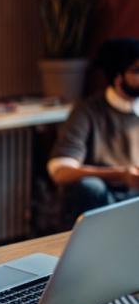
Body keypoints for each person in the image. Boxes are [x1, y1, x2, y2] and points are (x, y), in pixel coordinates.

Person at [48, 38, 139, 221]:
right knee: (89, 187)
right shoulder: (87, 112)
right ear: (118, 77)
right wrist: (121, 174)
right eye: (136, 71)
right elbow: (60, 171)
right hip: (105, 200)